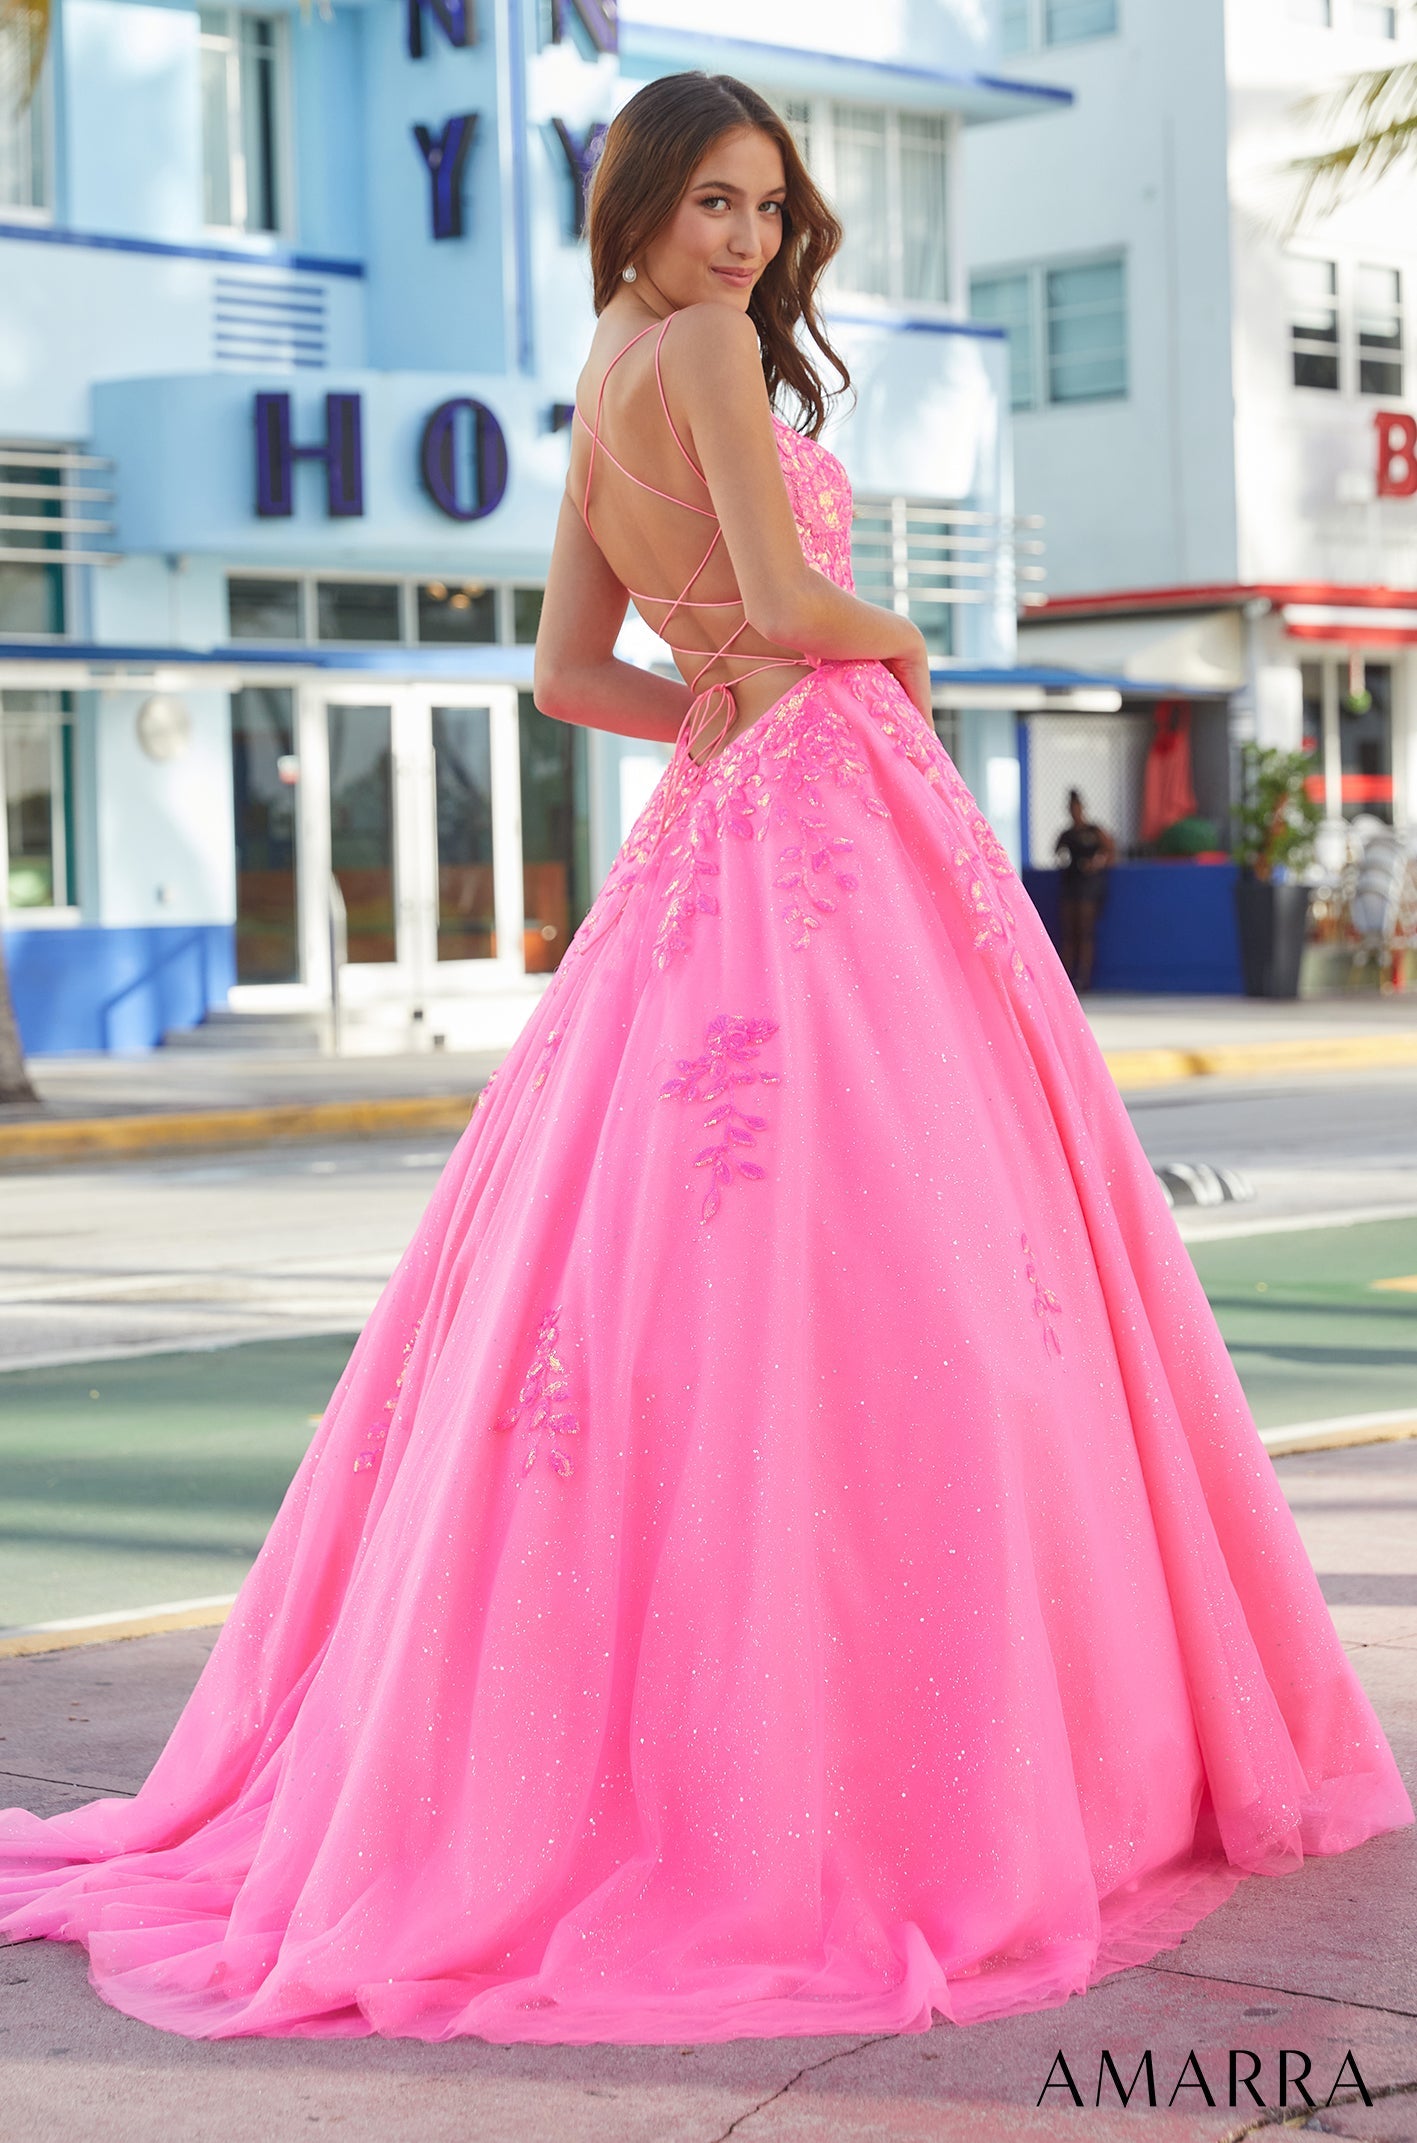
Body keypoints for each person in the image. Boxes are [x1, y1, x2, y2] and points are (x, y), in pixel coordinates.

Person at [0, 71, 1408, 2045]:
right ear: (642, 201)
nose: (748, 239)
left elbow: (575, 672)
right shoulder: (718, 355)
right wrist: (882, 648)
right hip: (833, 803)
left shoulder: (603, 374)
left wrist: (712, 714)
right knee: (931, 1241)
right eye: (715, 200)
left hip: (721, 834)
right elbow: (779, 590)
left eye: (768, 206)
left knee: (691, 1260)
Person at [1053, 788, 1116, 993]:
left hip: (1088, 886)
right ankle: (1066, 978)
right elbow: (1057, 854)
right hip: (1071, 884)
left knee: (1085, 932)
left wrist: (1096, 864)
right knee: (1070, 933)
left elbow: (1109, 850)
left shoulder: (1094, 831)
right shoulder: (1067, 834)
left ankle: (1083, 977)